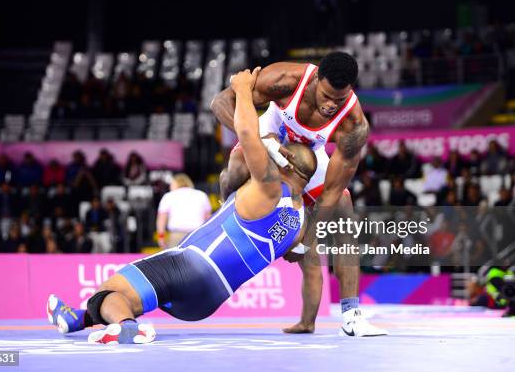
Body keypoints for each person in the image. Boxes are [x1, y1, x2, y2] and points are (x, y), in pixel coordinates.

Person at [46, 68, 318, 344]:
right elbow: (305, 264)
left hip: (193, 265)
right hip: (208, 302)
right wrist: (308, 321)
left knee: (109, 291)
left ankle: (129, 328)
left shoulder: (269, 187)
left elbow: (247, 133)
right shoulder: (300, 222)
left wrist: (244, 88)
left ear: (287, 163)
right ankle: (76, 318)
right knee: (134, 295)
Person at [211, 52, 386, 336]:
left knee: (343, 208)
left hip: (309, 161)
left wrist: (307, 240)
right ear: (316, 79)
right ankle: (227, 200)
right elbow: (220, 102)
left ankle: (350, 315)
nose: (331, 106)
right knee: (238, 166)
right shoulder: (286, 79)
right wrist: (257, 140)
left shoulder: (354, 124)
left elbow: (331, 190)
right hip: (268, 138)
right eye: (326, 96)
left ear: (350, 91)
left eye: (338, 100)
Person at [156, 173, 212, 248]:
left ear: (176, 184)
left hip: (177, 236)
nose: (169, 187)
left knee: (175, 259)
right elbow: (208, 219)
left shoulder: (168, 196)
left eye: (171, 184)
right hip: (197, 236)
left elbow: (162, 219)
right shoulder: (202, 195)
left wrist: (161, 237)